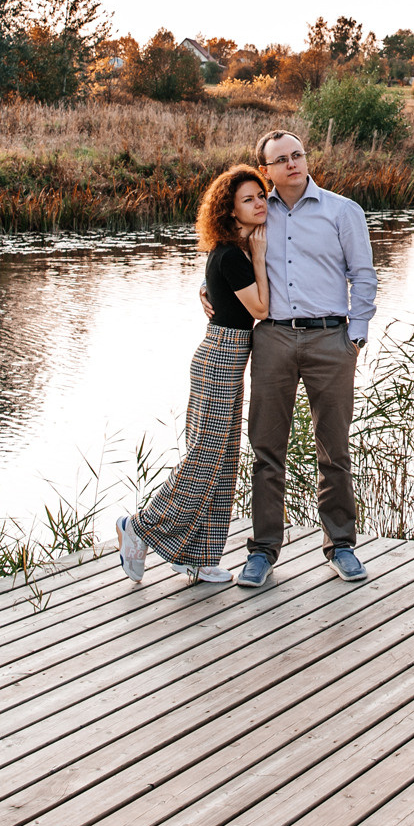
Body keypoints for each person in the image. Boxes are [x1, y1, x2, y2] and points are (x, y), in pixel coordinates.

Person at [117, 166, 270, 586]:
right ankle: (139, 526)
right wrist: (258, 257)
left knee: (224, 460)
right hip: (220, 357)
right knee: (205, 456)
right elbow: (260, 309)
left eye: (261, 195)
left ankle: (197, 557)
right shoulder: (232, 255)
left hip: (229, 358)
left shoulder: (233, 250)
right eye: (248, 199)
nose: (259, 203)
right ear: (230, 210)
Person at [237, 128, 376, 587]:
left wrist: (355, 336)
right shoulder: (256, 213)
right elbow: (228, 258)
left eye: (297, 154)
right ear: (266, 170)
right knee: (266, 450)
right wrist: (206, 287)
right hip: (273, 340)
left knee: (334, 449)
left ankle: (341, 545)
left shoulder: (342, 210)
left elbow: (363, 275)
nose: (293, 163)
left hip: (330, 340)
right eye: (281, 159)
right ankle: (262, 551)